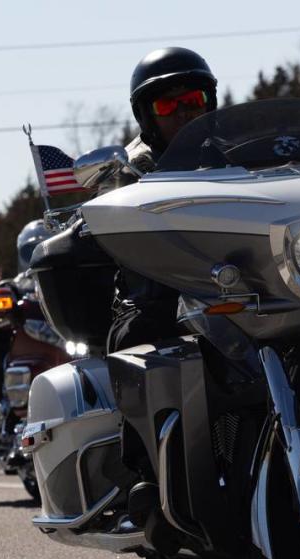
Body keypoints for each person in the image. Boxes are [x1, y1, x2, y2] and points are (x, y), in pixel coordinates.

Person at [107, 47, 218, 352]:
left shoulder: (233, 153)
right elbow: (106, 209)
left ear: (209, 102)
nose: (184, 112)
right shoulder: (129, 169)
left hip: (237, 285)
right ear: (146, 114)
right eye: (168, 105)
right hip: (162, 294)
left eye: (193, 101)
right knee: (140, 336)